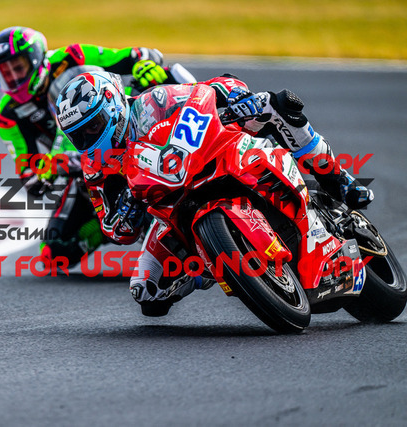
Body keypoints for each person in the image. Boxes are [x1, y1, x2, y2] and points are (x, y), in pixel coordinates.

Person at [54, 70, 373, 316]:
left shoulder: (153, 103)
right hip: (173, 209)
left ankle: (338, 179)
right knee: (148, 293)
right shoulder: (94, 167)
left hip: (216, 156)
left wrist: (236, 99)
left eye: (93, 125)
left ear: (112, 106)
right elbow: (112, 227)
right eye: (78, 134)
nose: (88, 137)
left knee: (276, 105)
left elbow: (205, 91)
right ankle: (209, 265)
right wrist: (125, 211)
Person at [0, 26, 172, 265]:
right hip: (83, 166)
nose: (12, 78)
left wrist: (144, 65)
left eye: (18, 68)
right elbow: (28, 176)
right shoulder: (7, 115)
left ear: (35, 59)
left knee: (168, 81)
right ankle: (104, 226)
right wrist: (46, 170)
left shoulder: (72, 56)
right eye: (4, 73)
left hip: (128, 134)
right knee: (55, 253)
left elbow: (138, 55)